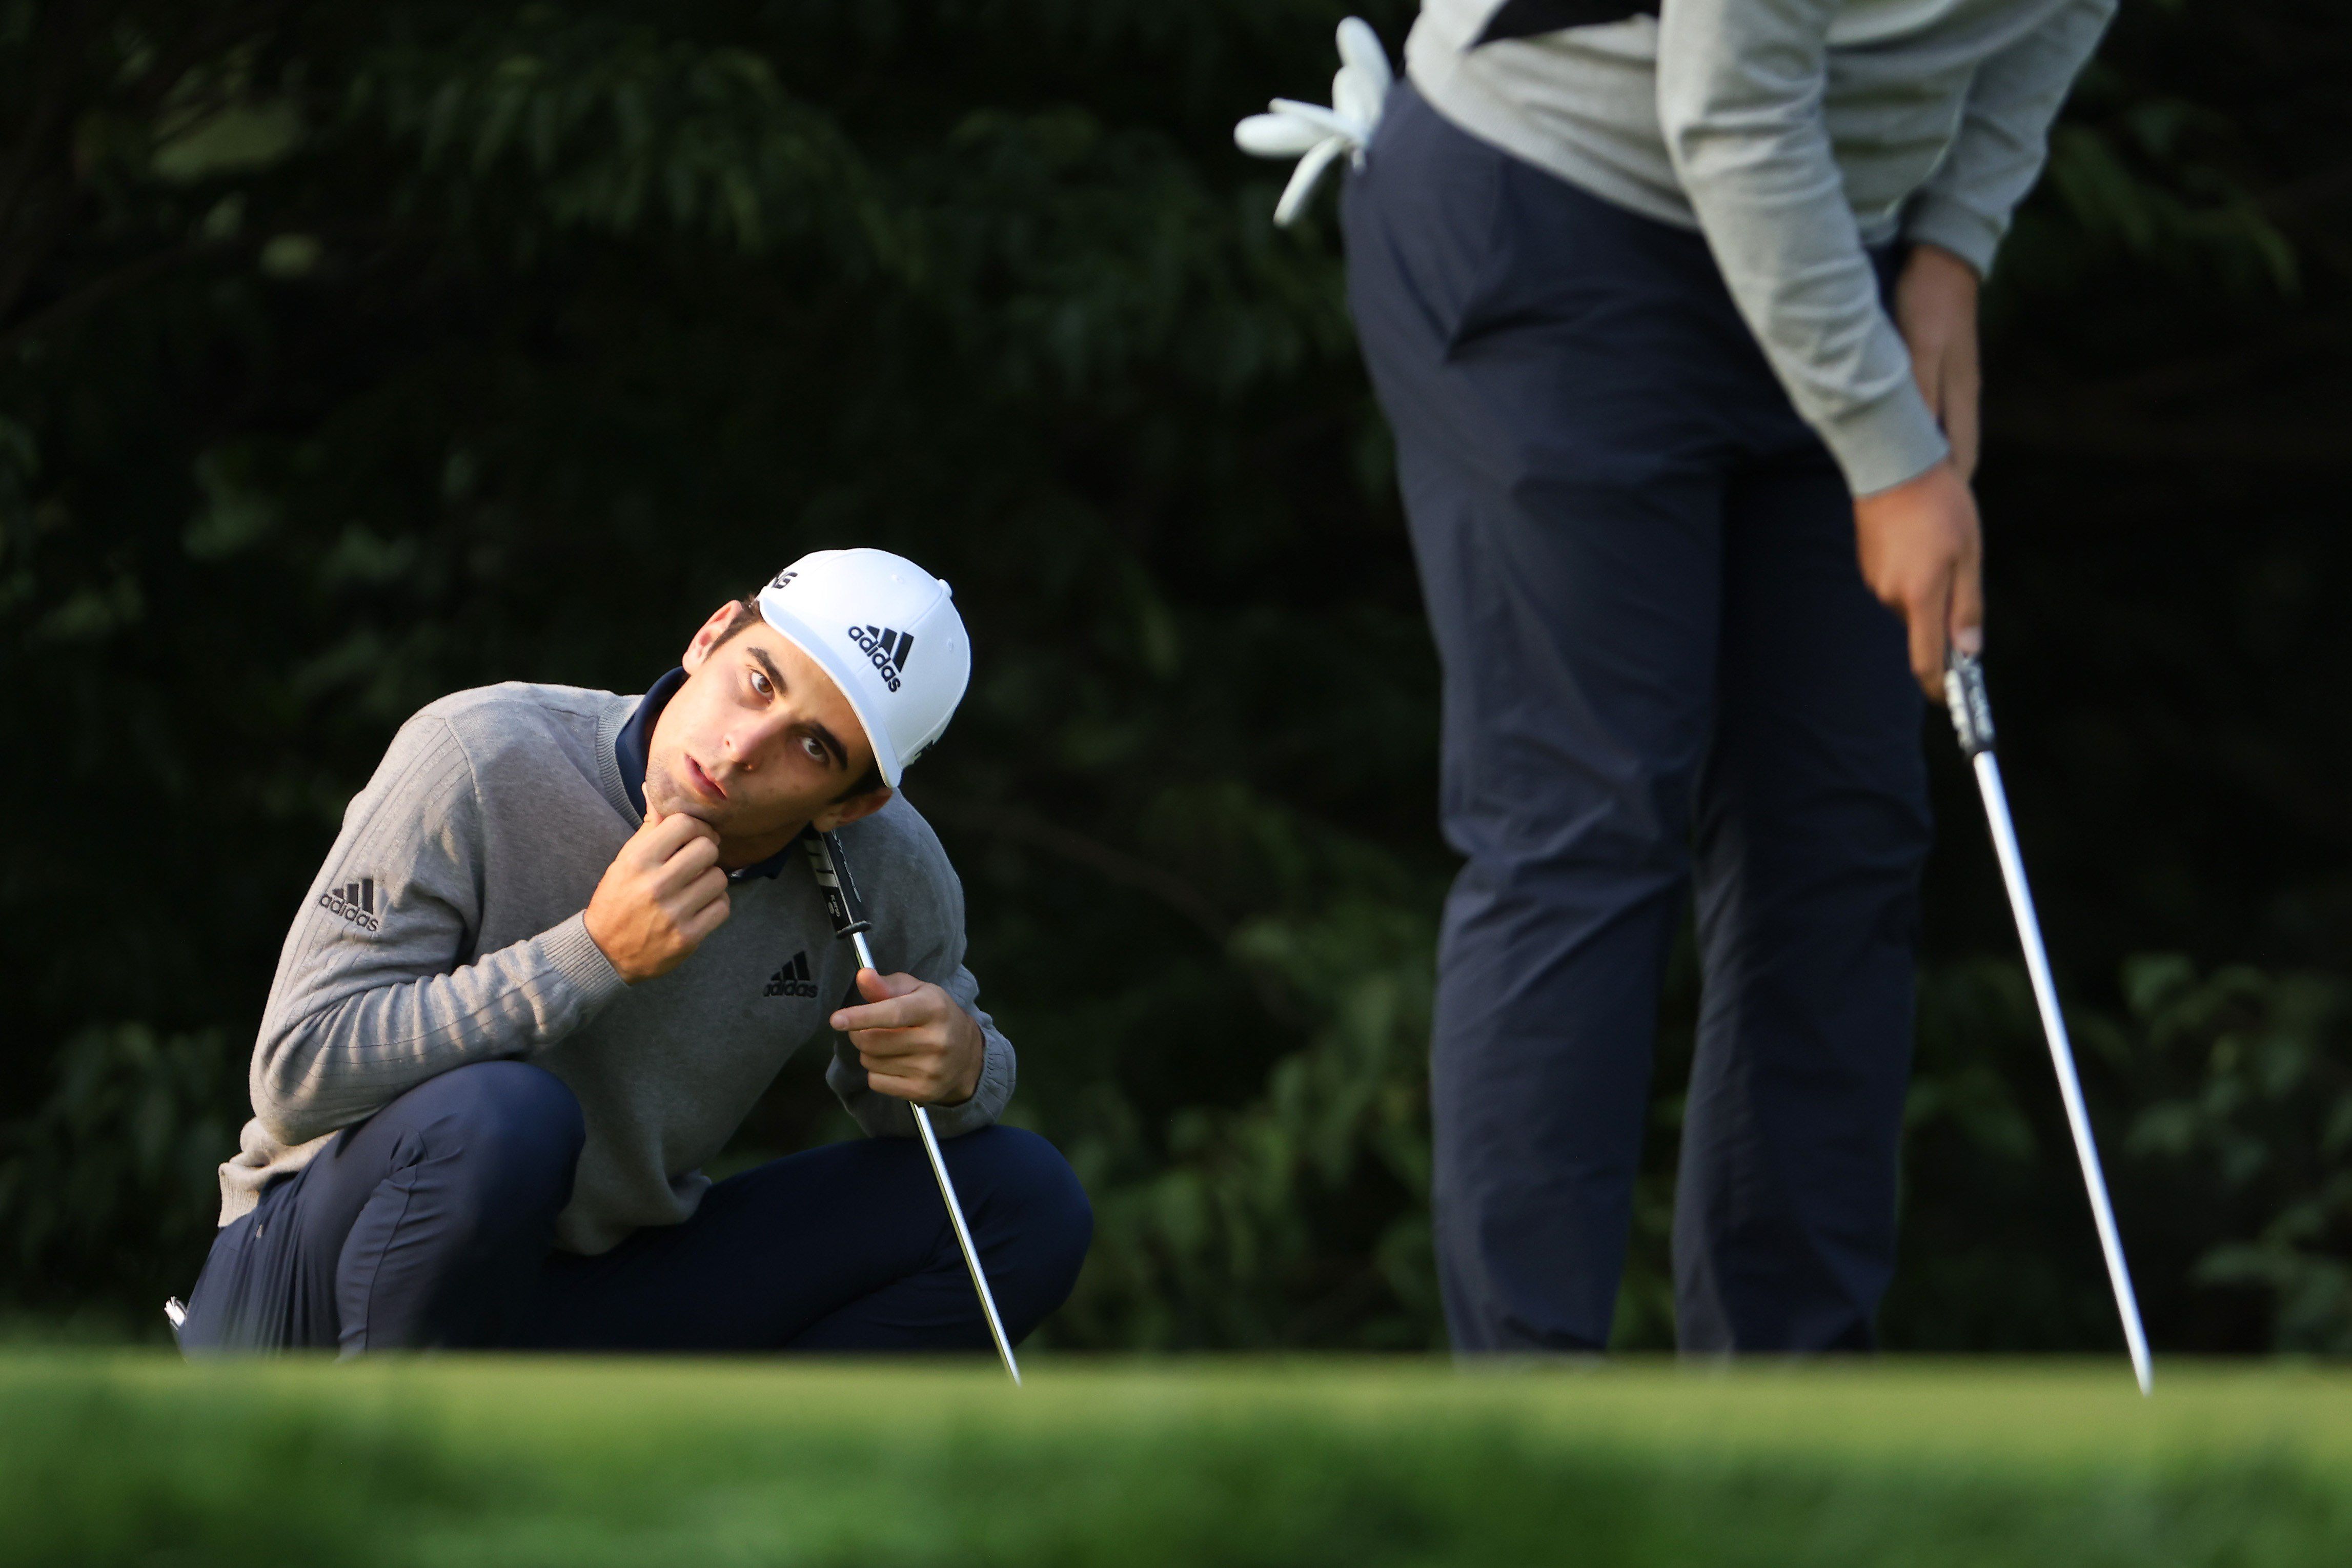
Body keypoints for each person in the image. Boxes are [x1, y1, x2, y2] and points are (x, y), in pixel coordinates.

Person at [1341, 1, 2115, 1352]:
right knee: (1585, 825)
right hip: (1551, 206)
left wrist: (1949, 245)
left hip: (1824, 239)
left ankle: (1789, 1431)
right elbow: (1727, 99)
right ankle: (1536, 1450)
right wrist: (1890, 453)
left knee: (1839, 836)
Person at [177, 548, 1092, 1353]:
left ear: (852, 803)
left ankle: (733, 1518)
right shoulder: (479, 753)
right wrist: (591, 956)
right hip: (310, 1273)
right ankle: (374, 1479)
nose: (741, 749)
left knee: (1024, 1200)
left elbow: (917, 1124)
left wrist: (965, 1069)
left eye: (811, 747)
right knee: (510, 1117)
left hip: (591, 1290)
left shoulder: (888, 871)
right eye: (760, 683)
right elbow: (298, 1077)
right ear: (710, 637)